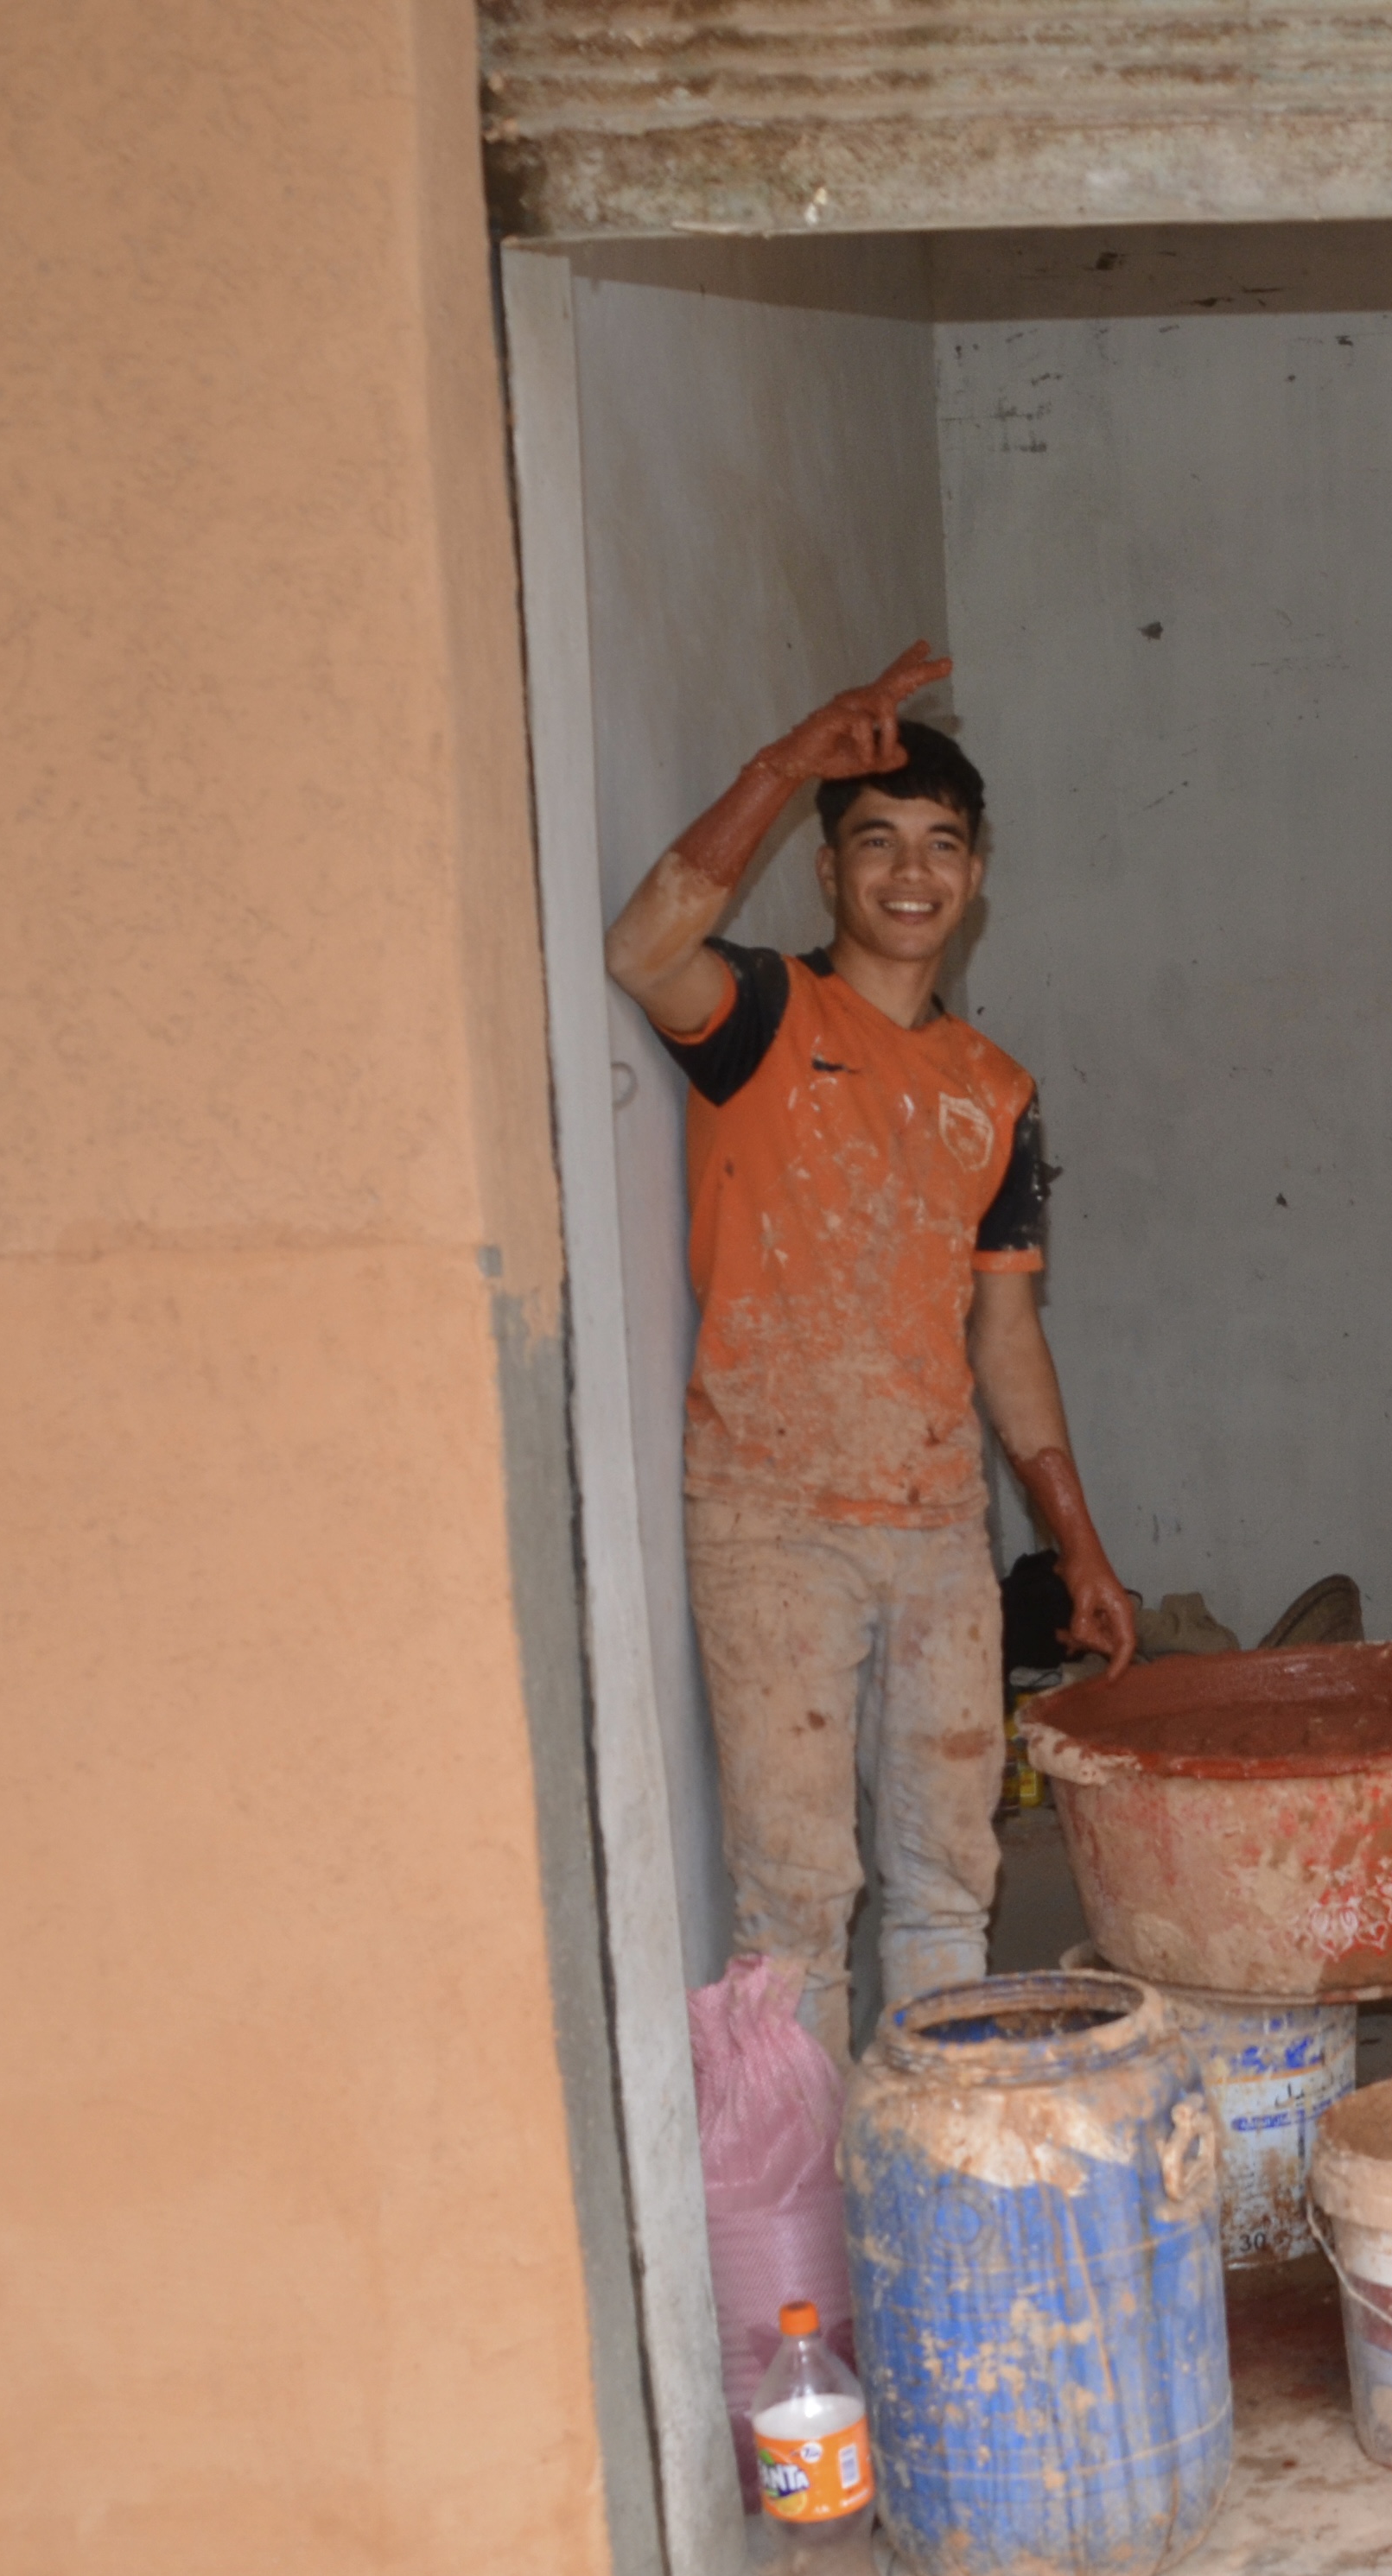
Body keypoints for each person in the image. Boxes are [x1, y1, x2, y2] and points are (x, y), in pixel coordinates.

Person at [602, 642, 1136, 2051]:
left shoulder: (996, 1090)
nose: (913, 872)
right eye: (878, 841)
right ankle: (802, 2195)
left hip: (939, 1528)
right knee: (794, 1900)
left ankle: (929, 2162)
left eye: (942, 845)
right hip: (771, 1517)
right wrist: (784, 765)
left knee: (949, 1882)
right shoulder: (765, 1014)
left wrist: (1078, 1548)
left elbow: (1005, 1333)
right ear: (828, 869)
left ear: (977, 877)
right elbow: (642, 949)